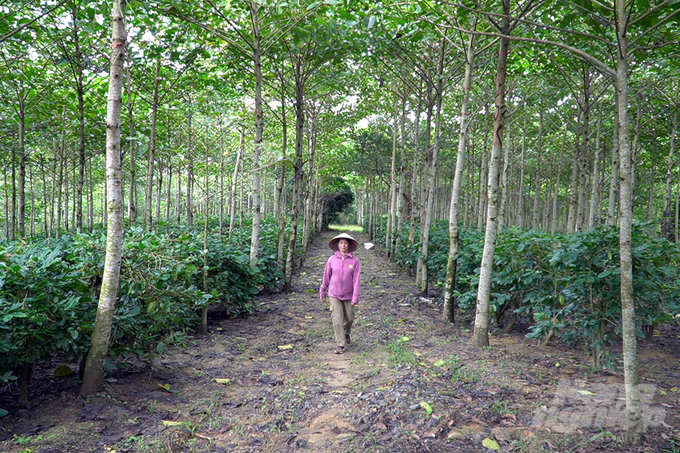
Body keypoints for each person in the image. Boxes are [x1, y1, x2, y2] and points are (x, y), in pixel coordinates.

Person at [319, 232, 362, 354]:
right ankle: (340, 344)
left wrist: (355, 297)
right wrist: (323, 291)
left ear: (349, 245)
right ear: (337, 245)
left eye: (345, 243)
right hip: (334, 294)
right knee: (337, 319)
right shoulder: (332, 260)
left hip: (349, 295)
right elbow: (326, 277)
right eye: (341, 243)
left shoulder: (355, 261)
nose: (343, 245)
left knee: (349, 319)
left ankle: (346, 333)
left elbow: (356, 280)